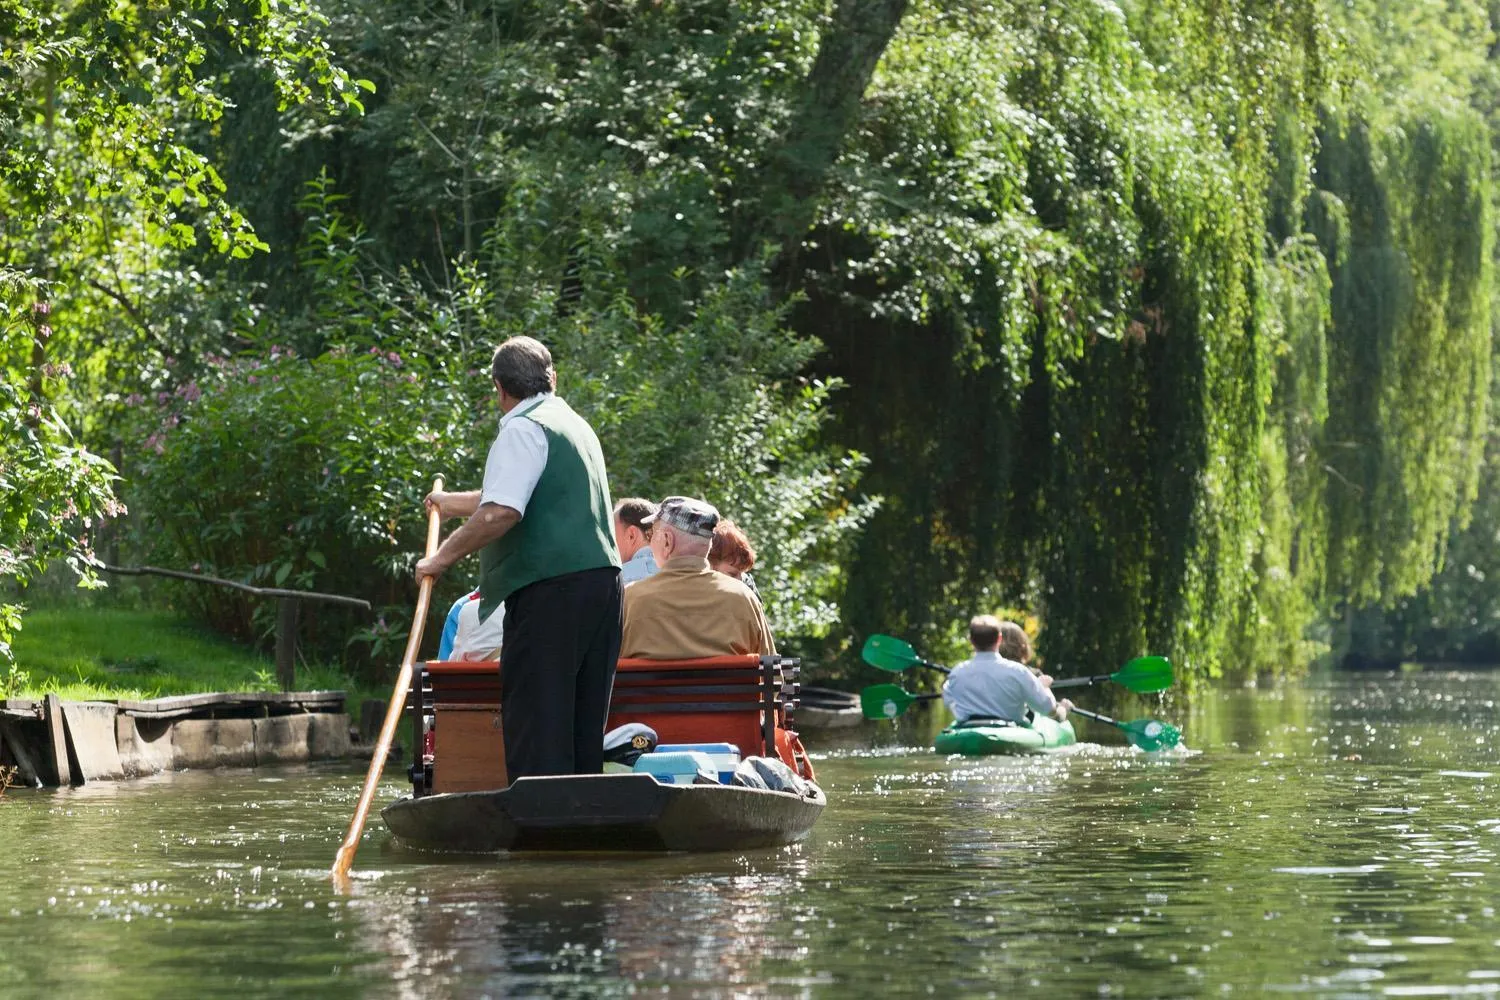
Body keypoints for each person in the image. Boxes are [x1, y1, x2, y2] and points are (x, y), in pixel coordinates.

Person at [415, 336, 622, 780]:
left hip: (553, 592)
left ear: (499, 389)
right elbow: (518, 493)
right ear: (552, 377)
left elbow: (502, 512)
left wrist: (440, 559)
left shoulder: (522, 427)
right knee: (579, 727)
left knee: (539, 724)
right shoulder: (570, 422)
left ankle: (541, 827)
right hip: (603, 588)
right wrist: (448, 503)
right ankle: (582, 820)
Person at [620, 496, 776, 659]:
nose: (650, 542)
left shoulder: (629, 600)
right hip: (726, 685)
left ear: (667, 541)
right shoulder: (744, 599)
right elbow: (772, 672)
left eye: (652, 534)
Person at [942, 614, 1071, 725]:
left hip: (968, 731)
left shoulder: (956, 673)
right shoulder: (1018, 672)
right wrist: (1044, 688)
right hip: (1010, 731)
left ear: (971, 640)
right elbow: (1048, 709)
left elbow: (949, 698)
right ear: (999, 639)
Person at [613, 497, 660, 585]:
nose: (610, 541)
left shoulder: (615, 584)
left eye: (612, 533)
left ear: (631, 535)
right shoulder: (681, 575)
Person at [708, 519, 759, 595]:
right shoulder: (691, 588)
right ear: (709, 565)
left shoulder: (747, 587)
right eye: (732, 574)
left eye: (742, 573)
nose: (740, 580)